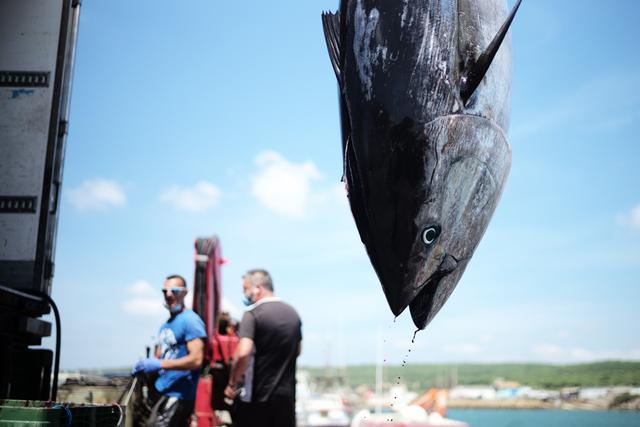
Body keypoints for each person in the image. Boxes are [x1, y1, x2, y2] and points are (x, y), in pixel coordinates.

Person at [224, 269, 302, 427]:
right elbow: (298, 350)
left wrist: (232, 382)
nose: (244, 294)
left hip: (257, 399)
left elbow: (244, 352)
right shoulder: (293, 313)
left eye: (245, 289)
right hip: (286, 400)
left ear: (257, 288)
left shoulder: (252, 314)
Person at [131, 274, 207, 427]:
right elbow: (159, 357)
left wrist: (160, 364)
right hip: (163, 392)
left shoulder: (190, 321)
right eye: (165, 291)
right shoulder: (165, 325)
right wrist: (147, 367)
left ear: (185, 293)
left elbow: (197, 360)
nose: (169, 294)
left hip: (178, 395)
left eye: (174, 290)